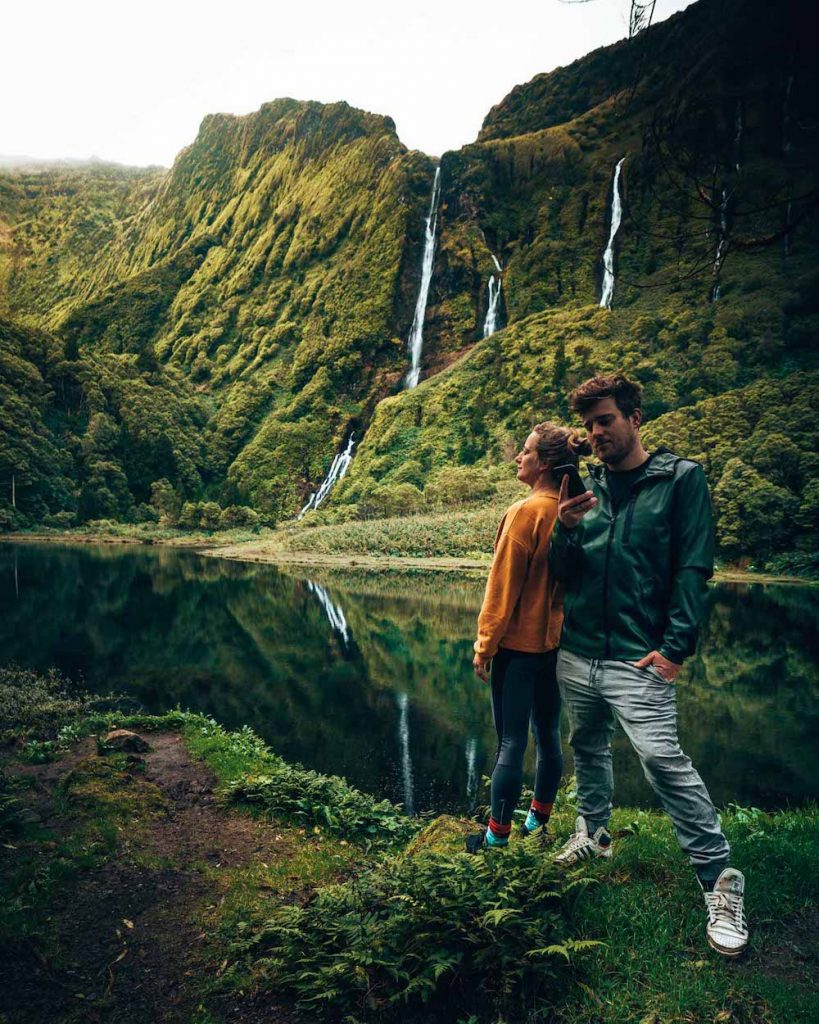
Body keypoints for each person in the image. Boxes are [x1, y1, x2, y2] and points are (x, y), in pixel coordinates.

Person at [548, 372, 748, 958]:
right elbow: (566, 572)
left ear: (635, 417)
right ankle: (595, 831)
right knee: (585, 743)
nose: (596, 433)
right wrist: (563, 529)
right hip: (579, 649)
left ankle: (719, 880)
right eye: (588, 425)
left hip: (640, 656)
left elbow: (694, 567)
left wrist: (675, 649)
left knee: (661, 757)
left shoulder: (681, 479)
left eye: (605, 420)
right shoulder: (586, 489)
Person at [466, 422, 590, 853]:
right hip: (555, 648)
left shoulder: (525, 512)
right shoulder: (572, 512)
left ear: (545, 464)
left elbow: (502, 588)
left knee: (511, 741)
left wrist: (485, 645)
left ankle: (496, 837)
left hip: (517, 649)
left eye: (526, 452)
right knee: (548, 734)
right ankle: (538, 821)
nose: (519, 458)